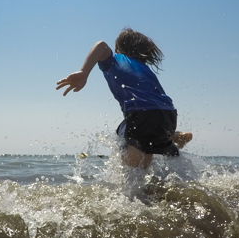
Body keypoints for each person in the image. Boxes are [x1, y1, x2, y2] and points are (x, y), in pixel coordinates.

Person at [57, 28, 191, 169]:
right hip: (168, 115)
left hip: (142, 114)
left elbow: (101, 45)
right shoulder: (144, 67)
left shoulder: (114, 60)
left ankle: (171, 139)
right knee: (146, 146)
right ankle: (172, 137)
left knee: (130, 166)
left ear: (119, 47)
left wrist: (84, 72)